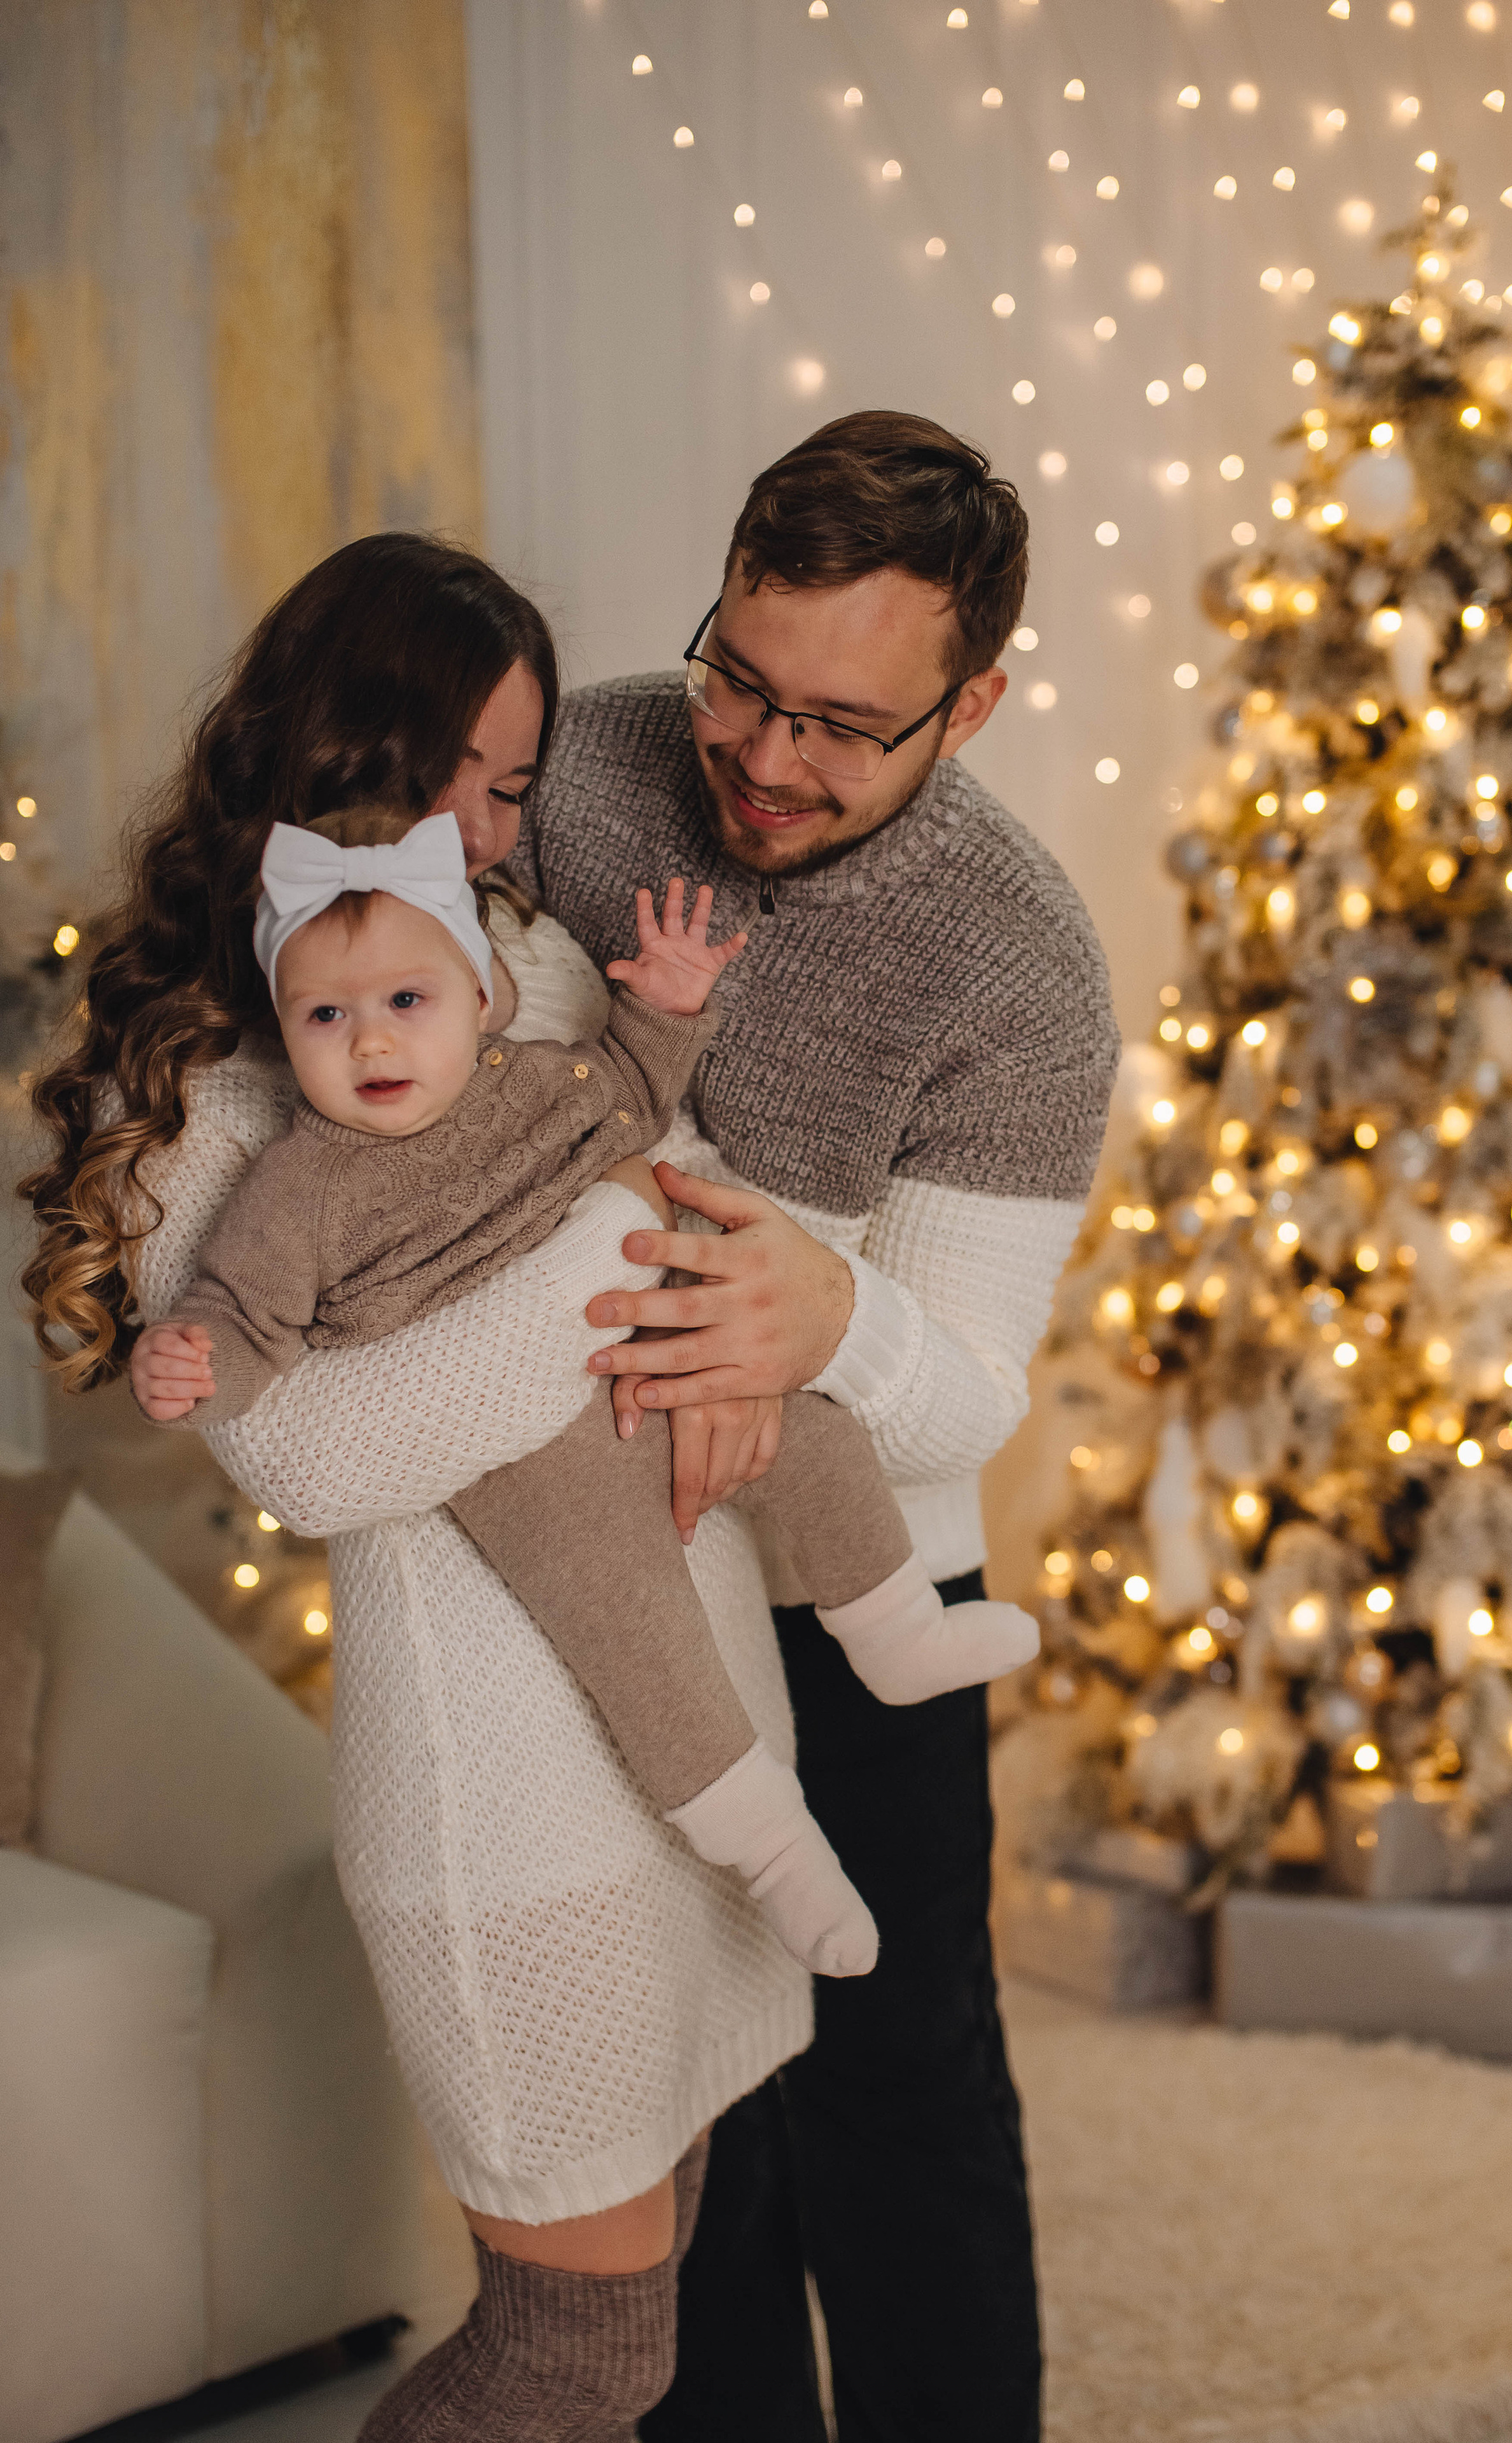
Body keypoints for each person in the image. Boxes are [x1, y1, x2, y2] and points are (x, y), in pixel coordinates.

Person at [20, 535, 834, 2439]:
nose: (488, 828)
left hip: (687, 1729)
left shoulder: (528, 959)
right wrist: (612, 1244)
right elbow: (315, 1448)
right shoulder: (231, 1076)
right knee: (577, 2347)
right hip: (505, 1798)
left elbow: (690, 1171)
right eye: (455, 777)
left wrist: (705, 1286)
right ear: (331, 756)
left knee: (669, 2260)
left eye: (518, 783)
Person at [517, 410, 1120, 2442]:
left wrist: (828, 1312)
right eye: (742, 684)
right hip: (594, 1566)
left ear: (975, 707)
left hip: (857, 1584)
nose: (767, 764)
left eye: (846, 728)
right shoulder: (584, 764)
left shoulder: (1027, 968)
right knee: (677, 2087)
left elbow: (974, 1383)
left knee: (898, 2073)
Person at [128, 805, 1036, 1979]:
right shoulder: (295, 1188)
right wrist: (192, 1362)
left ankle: (900, 1630)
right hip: (525, 1468)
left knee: (816, 1435)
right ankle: (778, 1857)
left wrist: (669, 998)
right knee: (637, 1634)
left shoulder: (531, 1085)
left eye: (409, 1002)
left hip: (641, 1365)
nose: (373, 1045)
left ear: (481, 998)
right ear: (285, 1031)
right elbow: (244, 1316)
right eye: (326, 1017)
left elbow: (634, 1087)